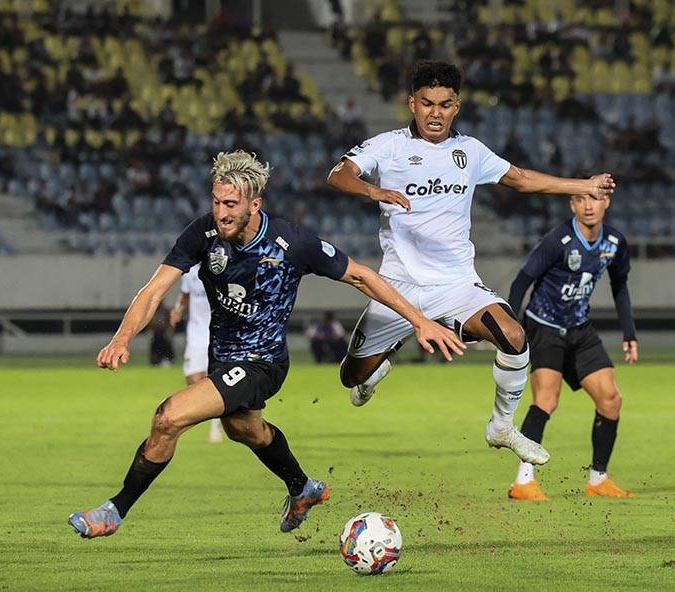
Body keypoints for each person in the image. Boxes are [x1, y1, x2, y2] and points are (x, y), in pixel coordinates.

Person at [68, 150, 464, 539]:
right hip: (222, 358)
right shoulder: (203, 233)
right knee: (246, 431)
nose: (221, 212)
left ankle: (114, 511)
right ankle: (302, 487)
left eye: (231, 204)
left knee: (169, 417)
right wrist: (122, 338)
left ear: (254, 204)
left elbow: (361, 276)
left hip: (263, 362)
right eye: (216, 201)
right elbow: (155, 289)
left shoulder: (290, 243)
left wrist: (421, 321)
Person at [326, 60, 615, 467]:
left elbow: (521, 179)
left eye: (445, 104)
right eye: (427, 103)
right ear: (412, 103)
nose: (435, 113)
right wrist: (375, 191)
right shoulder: (388, 146)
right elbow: (338, 175)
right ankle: (376, 370)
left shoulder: (470, 152)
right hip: (397, 285)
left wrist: (584, 185)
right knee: (350, 378)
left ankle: (501, 426)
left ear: (456, 106)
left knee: (514, 337)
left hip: (456, 285)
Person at [506, 189, 638, 501]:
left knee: (611, 399)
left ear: (606, 202)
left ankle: (598, 479)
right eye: (580, 199)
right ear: (572, 204)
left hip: (579, 329)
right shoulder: (558, 240)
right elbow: (521, 282)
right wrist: (512, 328)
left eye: (594, 198)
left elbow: (620, 285)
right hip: (545, 327)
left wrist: (629, 332)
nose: (588, 205)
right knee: (547, 400)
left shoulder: (614, 242)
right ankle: (523, 482)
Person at [169, 263, 223, 443]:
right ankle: (214, 413)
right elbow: (185, 296)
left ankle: (216, 425)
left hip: (219, 332)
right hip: (196, 334)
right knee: (193, 378)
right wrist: (178, 309)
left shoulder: (223, 266)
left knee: (216, 377)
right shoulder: (190, 272)